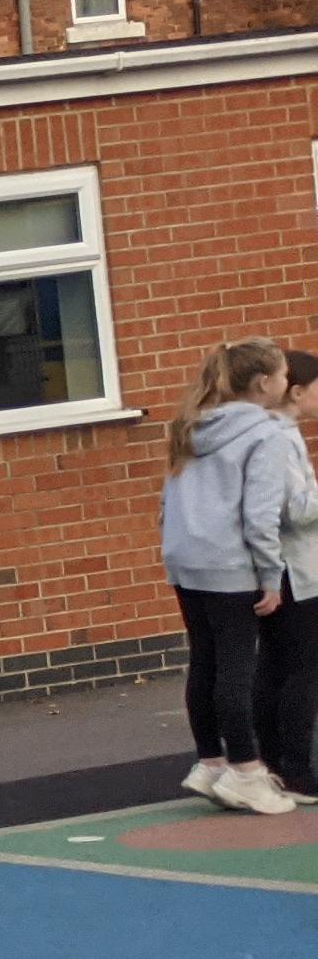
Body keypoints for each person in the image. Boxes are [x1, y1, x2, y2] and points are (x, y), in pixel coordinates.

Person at [161, 339, 297, 816]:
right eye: (284, 375)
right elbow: (260, 513)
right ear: (263, 382)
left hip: (186, 556)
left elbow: (168, 499)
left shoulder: (191, 424)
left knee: (205, 661)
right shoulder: (266, 433)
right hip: (229, 561)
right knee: (237, 668)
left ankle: (210, 761)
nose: (288, 383)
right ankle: (245, 769)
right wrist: (270, 575)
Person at [259, 351, 318, 798]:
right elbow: (294, 511)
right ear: (296, 391)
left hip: (284, 568)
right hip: (294, 571)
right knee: (301, 671)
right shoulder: (279, 438)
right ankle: (294, 769)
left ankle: (275, 765)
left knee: (277, 668)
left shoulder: (277, 434)